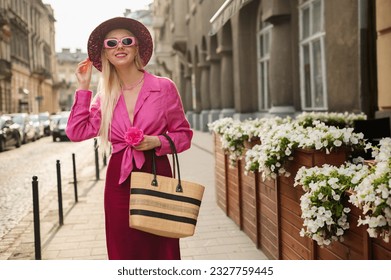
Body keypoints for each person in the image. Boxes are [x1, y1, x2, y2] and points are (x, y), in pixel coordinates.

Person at [66, 17, 193, 260]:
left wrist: (156, 142)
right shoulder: (104, 97)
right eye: (111, 43)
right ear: (105, 52)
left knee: (161, 243)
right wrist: (84, 88)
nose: (119, 47)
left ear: (136, 47)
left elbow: (184, 135)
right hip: (119, 181)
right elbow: (76, 131)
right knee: (124, 247)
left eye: (126, 41)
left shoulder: (163, 87)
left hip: (157, 172)